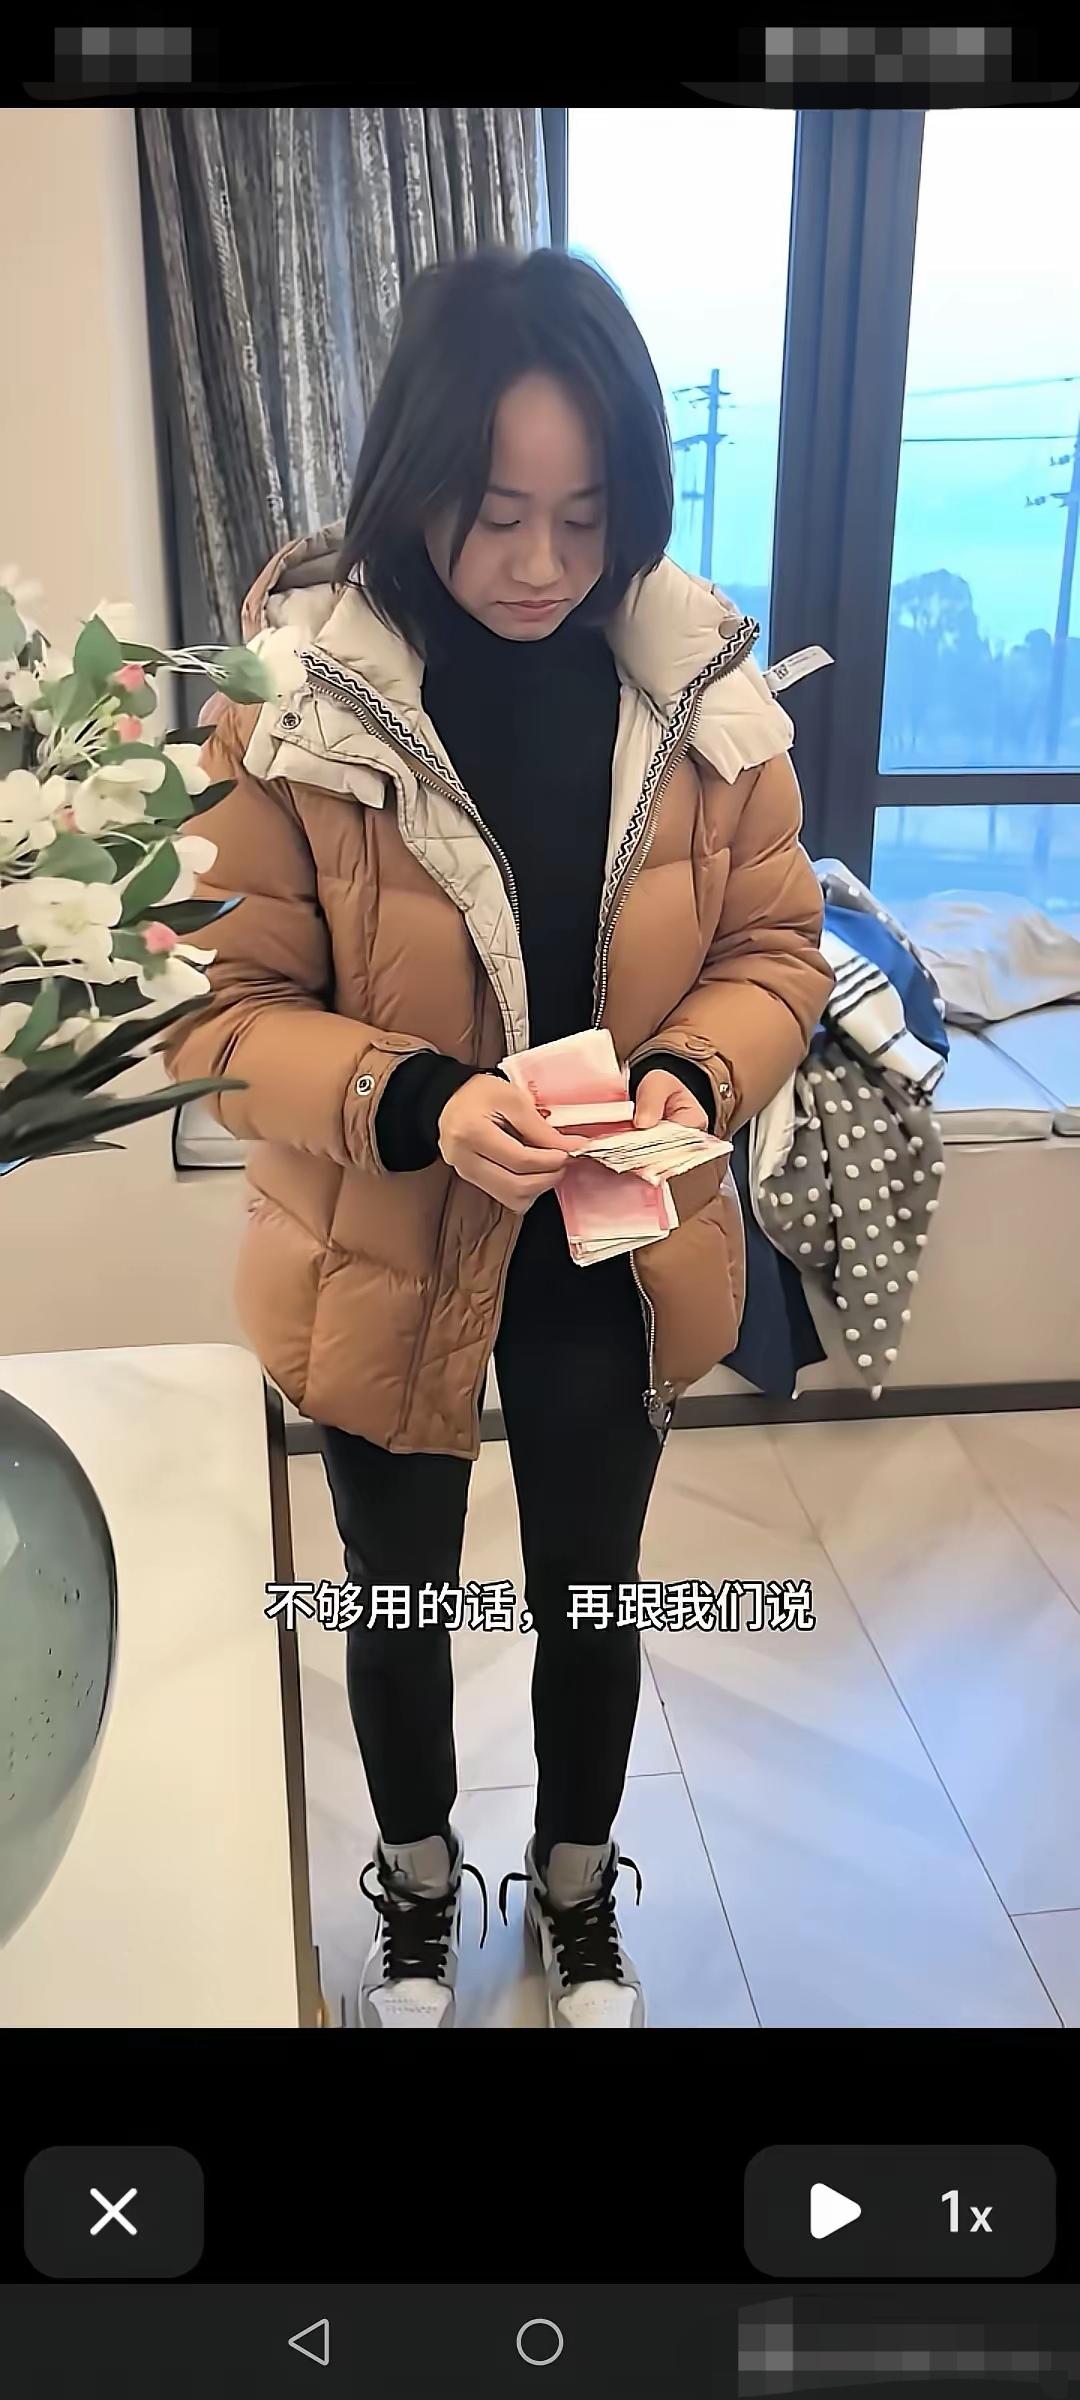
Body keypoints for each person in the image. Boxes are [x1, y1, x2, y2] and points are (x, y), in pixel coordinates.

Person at [168, 247, 831, 2030]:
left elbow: (778, 950)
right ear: (413, 484)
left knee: (593, 1594)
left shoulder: (701, 688)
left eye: (586, 518)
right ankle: (413, 1886)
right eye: (496, 516)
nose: (543, 565)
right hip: (384, 1234)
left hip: (617, 1237)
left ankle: (579, 1885)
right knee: (393, 1600)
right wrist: (418, 1100)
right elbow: (216, 1014)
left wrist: (694, 1076)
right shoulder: (296, 704)